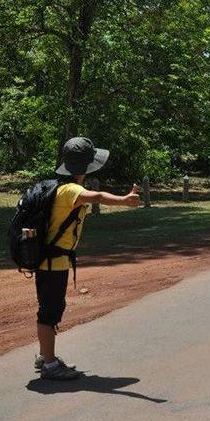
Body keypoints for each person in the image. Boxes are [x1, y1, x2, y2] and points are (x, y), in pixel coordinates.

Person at [35, 137, 139, 380]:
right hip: (53, 263)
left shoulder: (59, 186)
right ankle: (49, 365)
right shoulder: (72, 190)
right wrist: (124, 200)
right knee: (49, 312)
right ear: (85, 167)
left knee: (50, 308)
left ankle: (44, 355)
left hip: (50, 261)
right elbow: (99, 196)